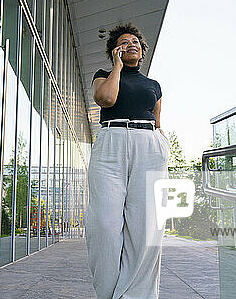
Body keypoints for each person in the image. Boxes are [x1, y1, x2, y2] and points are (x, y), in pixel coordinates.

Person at [85, 23, 170, 299]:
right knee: (104, 224)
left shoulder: (154, 86)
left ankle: (138, 294)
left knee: (146, 225)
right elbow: (107, 99)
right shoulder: (104, 76)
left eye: (135, 41)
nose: (131, 43)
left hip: (149, 146)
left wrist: (163, 147)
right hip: (112, 143)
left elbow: (158, 122)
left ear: (142, 52)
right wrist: (117, 67)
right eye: (123, 42)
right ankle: (108, 293)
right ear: (115, 51)